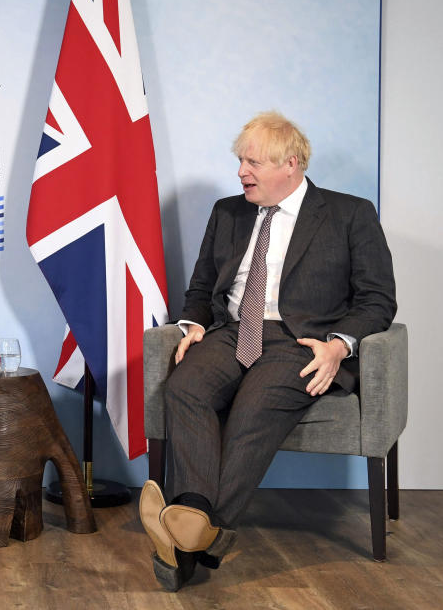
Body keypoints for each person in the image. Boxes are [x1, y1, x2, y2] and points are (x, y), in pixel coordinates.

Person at [139, 112, 396, 591]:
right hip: (234, 331)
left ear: (291, 164)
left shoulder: (349, 213)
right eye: (240, 160)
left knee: (254, 407)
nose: (241, 172)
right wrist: (193, 325)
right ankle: (196, 520)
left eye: (252, 162)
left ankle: (185, 543)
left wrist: (339, 346)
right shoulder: (228, 212)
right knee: (184, 389)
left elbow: (378, 300)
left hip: (302, 341)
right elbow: (199, 287)